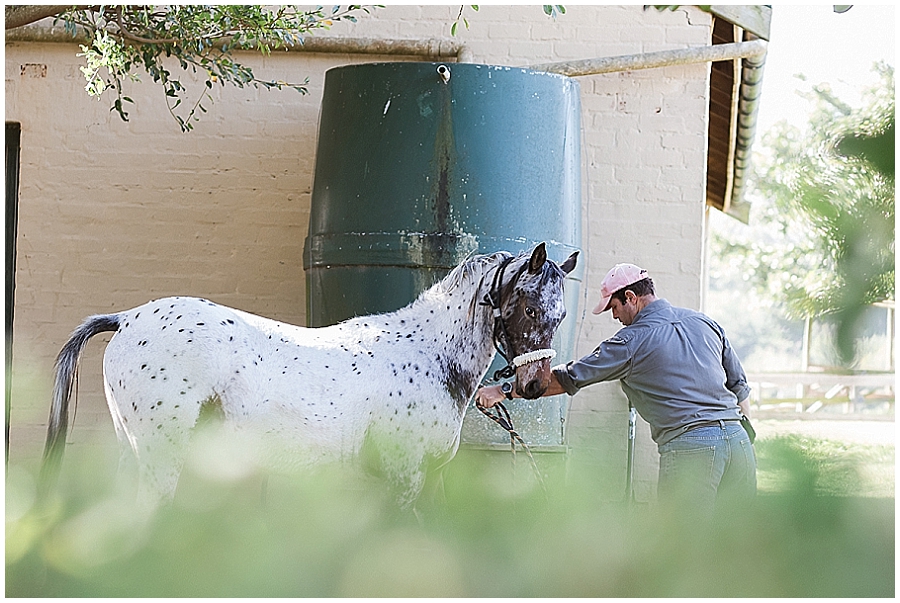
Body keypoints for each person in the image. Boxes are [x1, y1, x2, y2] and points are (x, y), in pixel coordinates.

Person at [475, 262, 756, 512]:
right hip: (739, 441)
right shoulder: (704, 323)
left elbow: (569, 378)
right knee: (738, 541)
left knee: (684, 545)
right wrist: (743, 428)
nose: (614, 316)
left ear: (630, 297)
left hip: (692, 449)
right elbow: (739, 385)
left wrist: (503, 391)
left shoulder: (631, 341)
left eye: (614, 307)